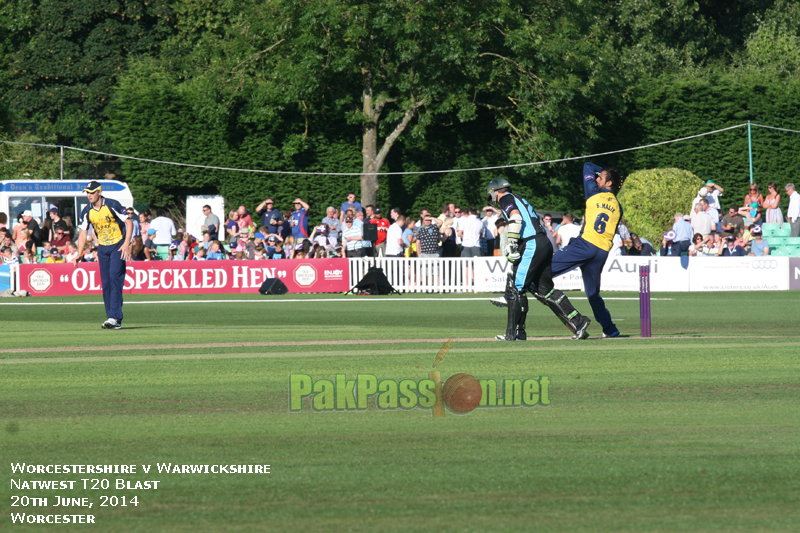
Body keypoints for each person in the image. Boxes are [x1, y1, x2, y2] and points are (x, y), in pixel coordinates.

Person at [487, 178, 592, 341]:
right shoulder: (519, 198)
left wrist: (512, 243)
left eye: (491, 195)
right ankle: (579, 322)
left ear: (495, 191)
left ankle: (515, 333)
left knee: (517, 288)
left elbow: (516, 218)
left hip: (531, 243)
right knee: (545, 291)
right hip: (543, 243)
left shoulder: (506, 198)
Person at [550, 163, 623, 339]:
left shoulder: (593, 193)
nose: (597, 178)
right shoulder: (619, 207)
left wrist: (601, 170)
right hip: (601, 252)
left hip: (585, 246)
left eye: (601, 177)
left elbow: (587, 165)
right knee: (592, 294)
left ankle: (516, 293)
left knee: (542, 270)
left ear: (609, 184)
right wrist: (612, 174)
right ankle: (610, 328)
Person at [73, 181, 133, 330]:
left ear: (99, 192)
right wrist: (79, 253)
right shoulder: (87, 210)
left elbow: (129, 223)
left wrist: (126, 244)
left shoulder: (112, 204)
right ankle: (111, 318)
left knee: (114, 278)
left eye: (92, 192)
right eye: (87, 192)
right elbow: (83, 232)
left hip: (118, 246)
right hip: (103, 248)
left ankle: (115, 317)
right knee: (106, 283)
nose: (89, 195)